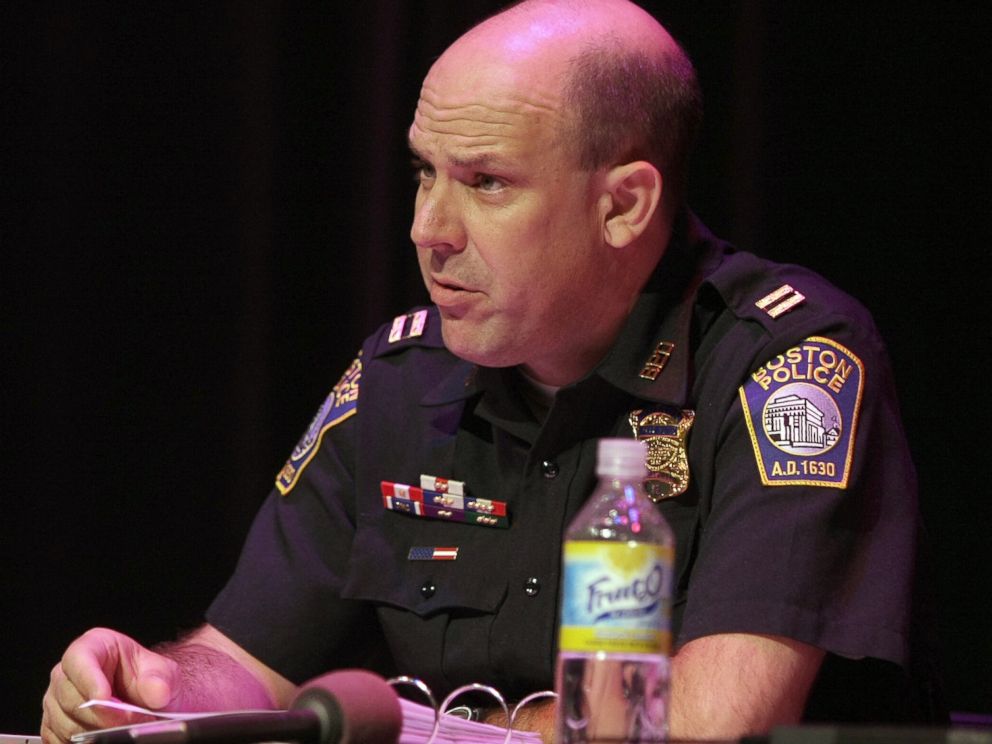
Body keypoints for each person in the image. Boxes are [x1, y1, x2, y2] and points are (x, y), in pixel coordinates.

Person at [41, 1, 943, 742]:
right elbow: (247, 662)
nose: (427, 230)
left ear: (623, 205)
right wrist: (152, 691)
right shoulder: (401, 374)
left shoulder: (785, 363)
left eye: (486, 183)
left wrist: (443, 733)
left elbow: (721, 725)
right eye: (424, 173)